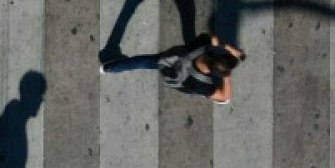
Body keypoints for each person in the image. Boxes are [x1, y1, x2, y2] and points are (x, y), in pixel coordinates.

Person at [99, 33, 245, 104]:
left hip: (170, 61)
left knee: (143, 61)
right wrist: (227, 75)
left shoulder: (201, 46)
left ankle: (107, 68)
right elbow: (225, 97)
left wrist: (228, 48)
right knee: (217, 97)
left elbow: (211, 38)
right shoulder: (203, 85)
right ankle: (108, 68)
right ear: (217, 74)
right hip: (179, 79)